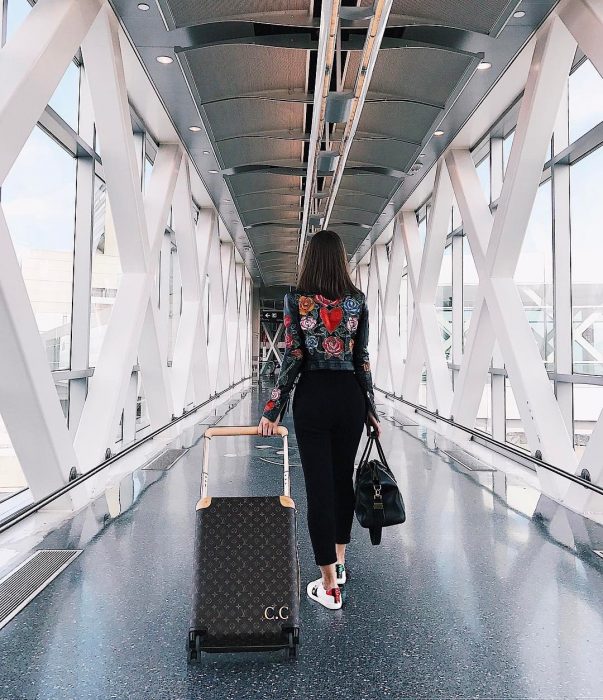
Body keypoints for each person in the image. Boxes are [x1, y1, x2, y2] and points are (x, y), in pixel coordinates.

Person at [257, 229, 380, 611]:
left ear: (309, 259)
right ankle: (339, 564)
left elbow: (293, 356)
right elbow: (362, 359)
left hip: (313, 397)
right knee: (342, 483)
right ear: (341, 260)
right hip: (349, 398)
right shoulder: (357, 302)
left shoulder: (296, 301)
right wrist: (371, 409)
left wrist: (272, 409)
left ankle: (328, 584)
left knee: (320, 488)